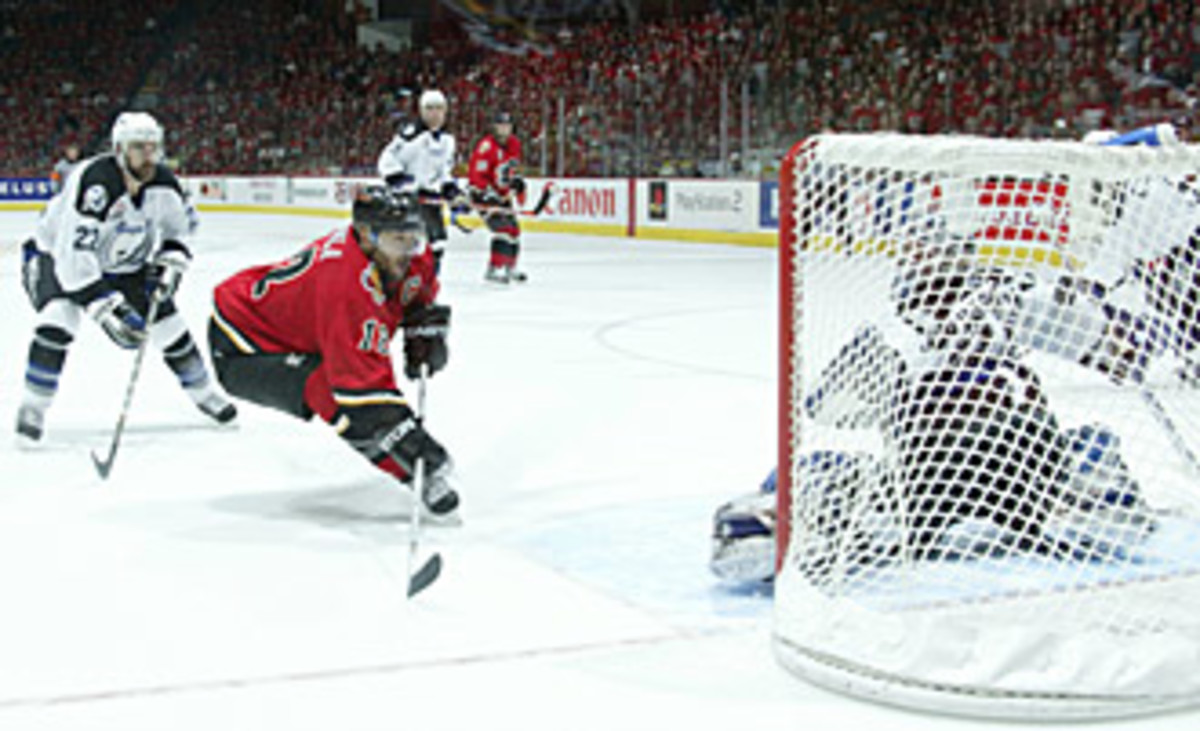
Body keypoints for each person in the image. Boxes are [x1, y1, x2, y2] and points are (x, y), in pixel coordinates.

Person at [207, 186, 459, 518]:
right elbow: (361, 390)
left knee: (360, 405)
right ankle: (413, 475)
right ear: (367, 238)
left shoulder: (404, 255)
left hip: (299, 328)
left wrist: (421, 326)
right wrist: (411, 441)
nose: (408, 251)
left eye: (413, 238)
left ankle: (412, 467)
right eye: (396, 241)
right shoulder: (346, 288)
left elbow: (417, 293)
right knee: (332, 396)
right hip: (244, 345)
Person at [17, 111, 236, 442]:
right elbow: (74, 258)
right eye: (138, 148)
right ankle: (33, 405)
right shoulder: (95, 183)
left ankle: (204, 392)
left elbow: (182, 228)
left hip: (123, 263)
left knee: (167, 322)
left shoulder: (163, 181)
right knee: (59, 319)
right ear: (120, 150)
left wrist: (171, 260)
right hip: (56, 258)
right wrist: (107, 308)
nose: (148, 156)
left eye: (153, 148)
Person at [376, 89, 465, 273]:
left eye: (439, 108)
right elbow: (387, 158)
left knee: (437, 245)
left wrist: (452, 192)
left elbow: (443, 173)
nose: (435, 114)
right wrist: (397, 178)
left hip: (431, 202)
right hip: (409, 201)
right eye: (429, 108)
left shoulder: (448, 141)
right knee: (412, 248)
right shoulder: (411, 134)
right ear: (422, 111)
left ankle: (428, 289)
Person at [468, 110, 526, 284]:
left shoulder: (515, 144)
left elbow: (511, 170)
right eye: (501, 125)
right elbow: (476, 175)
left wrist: (515, 184)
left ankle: (510, 266)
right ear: (494, 127)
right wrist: (486, 193)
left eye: (507, 126)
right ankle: (494, 268)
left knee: (514, 230)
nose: (504, 129)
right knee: (503, 229)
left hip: (502, 196)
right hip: (482, 195)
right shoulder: (486, 146)